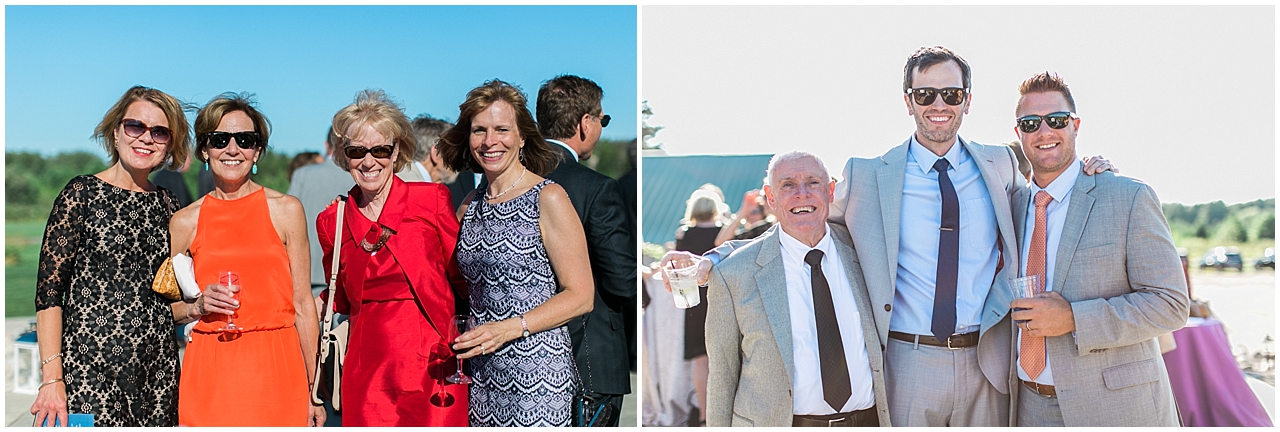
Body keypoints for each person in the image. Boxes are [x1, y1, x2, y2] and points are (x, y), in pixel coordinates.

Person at [667, 46, 1115, 427]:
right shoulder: (867, 177)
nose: (938, 104)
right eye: (926, 94)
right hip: (906, 362)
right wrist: (718, 257)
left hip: (986, 360)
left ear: (967, 101)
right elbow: (802, 226)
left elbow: (1045, 202)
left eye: (951, 93)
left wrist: (1090, 170)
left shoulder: (1000, 165)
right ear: (908, 101)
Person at [1007, 72, 1187, 426]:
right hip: (1028, 409)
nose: (1044, 132)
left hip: (1117, 408)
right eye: (1030, 123)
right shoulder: (1011, 207)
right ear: (1019, 133)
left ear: (1075, 125)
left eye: (1056, 120)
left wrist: (1075, 318)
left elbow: (1171, 305)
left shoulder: (1128, 197)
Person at [30, 85, 191, 427]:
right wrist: (52, 378)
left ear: (170, 144)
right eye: (136, 126)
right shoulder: (80, 194)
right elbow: (48, 295)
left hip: (156, 377)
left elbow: (166, 299)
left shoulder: (170, 206)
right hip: (86, 376)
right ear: (116, 131)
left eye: (159, 132)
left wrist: (199, 306)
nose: (146, 138)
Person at [437, 79, 594, 427]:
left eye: (502, 129)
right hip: (480, 374)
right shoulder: (469, 205)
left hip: (537, 373)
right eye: (480, 130)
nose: (490, 141)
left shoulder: (548, 197)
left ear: (522, 136)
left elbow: (582, 296)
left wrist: (509, 329)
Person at [313, 89, 469, 426]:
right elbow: (338, 299)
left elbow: (464, 278)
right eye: (356, 151)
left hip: (434, 368)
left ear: (396, 151)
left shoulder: (432, 200)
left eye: (380, 149)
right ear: (344, 155)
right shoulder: (331, 222)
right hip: (367, 378)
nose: (369, 162)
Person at [168, 92, 323, 426]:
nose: (233, 149)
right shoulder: (184, 222)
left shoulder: (286, 210)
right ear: (205, 150)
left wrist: (315, 388)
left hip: (277, 369)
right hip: (210, 373)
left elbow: (302, 303)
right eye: (220, 139)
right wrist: (197, 305)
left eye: (245, 139)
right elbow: (164, 310)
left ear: (258, 151)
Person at [707, 152, 889, 427]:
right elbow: (722, 376)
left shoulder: (865, 253)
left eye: (813, 183)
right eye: (788, 185)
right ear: (770, 197)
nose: (801, 194)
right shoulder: (734, 275)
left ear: (830, 191)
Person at [537, 74, 635, 426]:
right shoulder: (597, 188)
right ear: (584, 123)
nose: (602, 128)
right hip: (588, 359)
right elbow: (621, 280)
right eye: (602, 120)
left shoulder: (508, 180)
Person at [671, 188, 724, 426]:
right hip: (719, 300)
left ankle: (703, 416)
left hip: (693, 302)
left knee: (700, 362)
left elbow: (676, 267)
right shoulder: (724, 234)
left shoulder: (684, 234)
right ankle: (721, 416)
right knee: (724, 361)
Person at [287, 127, 356, 296]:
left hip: (309, 271)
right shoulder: (358, 175)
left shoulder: (303, 174)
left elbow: (287, 221)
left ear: (327, 145)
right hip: (349, 272)